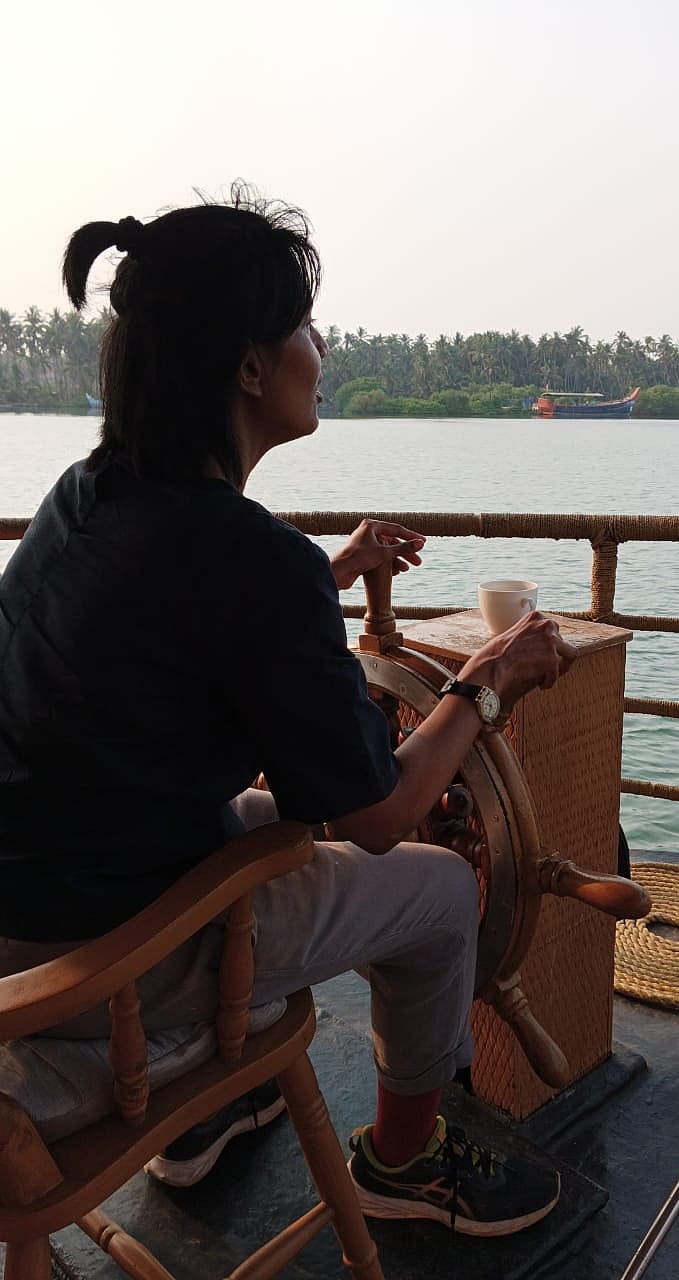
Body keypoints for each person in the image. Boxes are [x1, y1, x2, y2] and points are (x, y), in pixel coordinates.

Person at [0, 186, 576, 1237]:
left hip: (26, 913)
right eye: (307, 325)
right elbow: (382, 812)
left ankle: (203, 1114)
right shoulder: (254, 563)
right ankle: (401, 1162)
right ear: (252, 367)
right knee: (441, 882)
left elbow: (180, 613)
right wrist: (488, 679)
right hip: (96, 966)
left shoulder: (82, 494)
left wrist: (320, 570)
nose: (324, 345)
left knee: (271, 821)